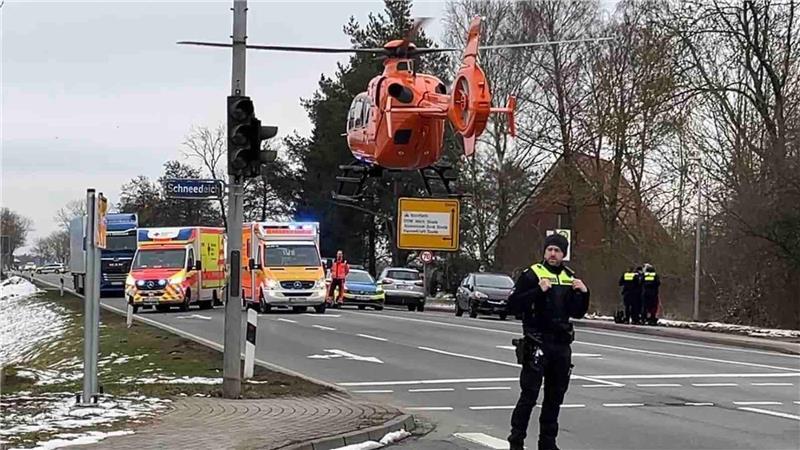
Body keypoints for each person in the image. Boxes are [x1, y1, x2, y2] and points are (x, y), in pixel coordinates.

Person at [507, 234, 590, 450]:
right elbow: (514, 305)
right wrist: (538, 291)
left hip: (561, 345)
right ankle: (516, 441)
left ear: (564, 254)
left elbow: (577, 312)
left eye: (558, 251)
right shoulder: (532, 274)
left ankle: (547, 443)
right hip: (537, 342)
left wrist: (584, 293)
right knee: (529, 395)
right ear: (544, 252)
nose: (553, 254)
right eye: (550, 250)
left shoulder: (568, 277)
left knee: (555, 397)